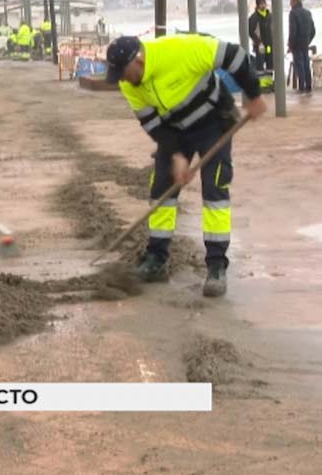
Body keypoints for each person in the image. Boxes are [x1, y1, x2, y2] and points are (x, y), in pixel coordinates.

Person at [105, 35, 267, 297]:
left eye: (122, 73)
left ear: (139, 59)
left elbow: (235, 56)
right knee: (161, 189)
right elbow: (153, 125)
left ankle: (216, 266)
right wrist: (177, 155)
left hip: (214, 124)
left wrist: (254, 93)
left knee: (215, 191)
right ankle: (156, 258)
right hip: (174, 131)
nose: (122, 81)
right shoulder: (129, 85)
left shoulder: (182, 50)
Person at [288, 0, 316, 93]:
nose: (290, 4)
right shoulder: (308, 13)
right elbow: (313, 31)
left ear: (295, 2)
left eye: (291, 1)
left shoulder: (293, 13)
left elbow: (293, 31)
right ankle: (308, 85)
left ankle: (301, 87)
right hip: (305, 43)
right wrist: (308, 40)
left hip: (296, 44)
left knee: (299, 65)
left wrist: (290, 44)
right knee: (306, 64)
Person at [248, 0, 274, 71]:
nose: (263, 5)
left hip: (269, 44)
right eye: (261, 4)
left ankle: (270, 80)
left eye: (264, 3)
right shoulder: (254, 17)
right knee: (260, 63)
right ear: (257, 5)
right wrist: (258, 42)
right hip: (260, 45)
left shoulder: (270, 16)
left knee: (270, 62)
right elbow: (250, 31)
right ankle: (261, 80)